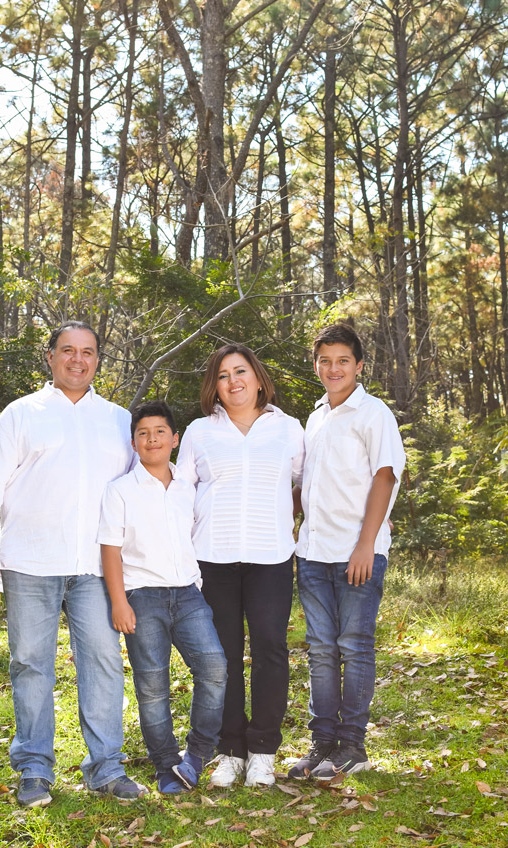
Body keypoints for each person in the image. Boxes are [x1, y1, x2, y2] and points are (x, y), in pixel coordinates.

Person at [0, 321, 146, 808]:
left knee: (105, 662)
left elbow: (137, 490)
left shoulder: (117, 419)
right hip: (29, 559)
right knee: (31, 665)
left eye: (87, 352)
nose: (77, 360)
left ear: (97, 360)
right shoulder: (22, 414)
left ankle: (106, 767)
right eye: (67, 351)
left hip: (94, 567)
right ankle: (33, 769)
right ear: (50, 357)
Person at [176, 344, 304, 788]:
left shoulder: (289, 428)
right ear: (215, 384)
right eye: (224, 374)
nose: (234, 381)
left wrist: (279, 517)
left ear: (257, 376)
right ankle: (230, 750)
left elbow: (306, 484)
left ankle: (264, 750)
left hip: (271, 558)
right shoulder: (198, 431)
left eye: (241, 371)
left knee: (270, 650)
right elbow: (181, 493)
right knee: (224, 656)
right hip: (213, 559)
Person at [288, 323, 406, 781]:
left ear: (358, 366)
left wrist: (365, 545)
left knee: (354, 647)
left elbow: (385, 476)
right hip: (313, 551)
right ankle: (322, 743)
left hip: (357, 552)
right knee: (320, 649)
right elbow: (307, 488)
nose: (333, 368)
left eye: (342, 361)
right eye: (325, 360)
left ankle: (353, 746)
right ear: (316, 365)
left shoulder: (373, 414)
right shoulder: (315, 418)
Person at [99, 400, 227, 795]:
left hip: (188, 595)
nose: (151, 439)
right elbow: (110, 548)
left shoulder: (188, 489)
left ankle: (196, 756)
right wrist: (119, 601)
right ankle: (166, 767)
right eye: (143, 433)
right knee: (152, 685)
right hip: (142, 598)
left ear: (174, 439)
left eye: (159, 432)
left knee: (215, 668)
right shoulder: (120, 490)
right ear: (134, 442)